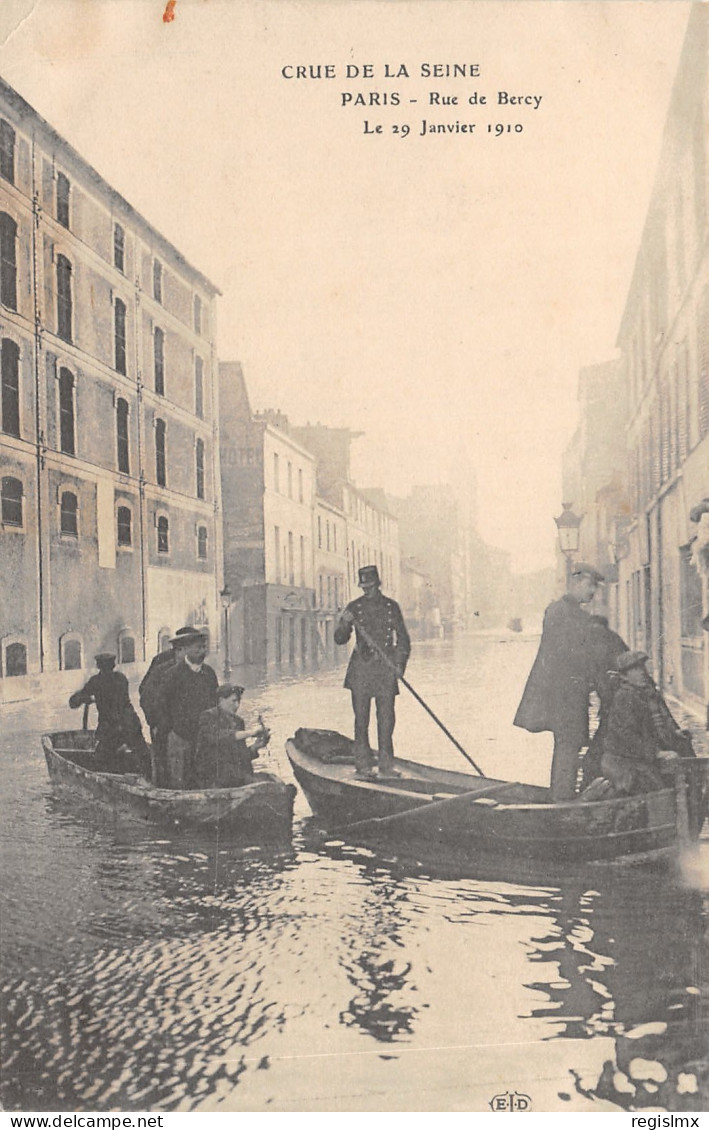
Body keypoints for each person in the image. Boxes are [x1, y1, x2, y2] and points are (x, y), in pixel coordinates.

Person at [514, 563, 604, 802]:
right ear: (574, 583)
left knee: (570, 744)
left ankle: (561, 795)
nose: (593, 591)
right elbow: (565, 653)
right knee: (568, 742)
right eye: (589, 585)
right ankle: (562, 799)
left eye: (595, 586)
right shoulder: (559, 612)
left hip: (571, 690)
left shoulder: (572, 613)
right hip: (563, 692)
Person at [334, 564, 411, 780]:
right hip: (362, 670)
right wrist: (344, 624)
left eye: (370, 586)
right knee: (361, 720)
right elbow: (340, 639)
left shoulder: (391, 607)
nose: (366, 590)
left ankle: (386, 765)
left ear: (378, 585)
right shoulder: (354, 608)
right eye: (363, 586)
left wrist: (399, 665)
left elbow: (404, 640)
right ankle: (363, 765)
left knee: (386, 720)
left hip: (385, 669)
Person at [600, 651, 694, 796]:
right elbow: (627, 737)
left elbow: (659, 724)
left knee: (687, 761)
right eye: (635, 670)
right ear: (624, 676)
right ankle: (668, 816)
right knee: (660, 791)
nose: (642, 673)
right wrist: (657, 753)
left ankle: (692, 808)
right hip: (624, 761)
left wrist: (674, 733)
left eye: (642, 667)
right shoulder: (624, 698)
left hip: (643, 756)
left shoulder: (650, 695)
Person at [155, 629, 218, 789]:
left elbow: (215, 703)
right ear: (187, 649)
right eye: (198, 648)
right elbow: (161, 705)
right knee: (179, 779)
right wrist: (170, 730)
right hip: (180, 736)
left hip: (203, 737)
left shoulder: (209, 674)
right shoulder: (172, 675)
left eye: (204, 647)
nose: (202, 651)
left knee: (202, 777)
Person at [68, 653, 148, 774]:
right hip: (131, 723)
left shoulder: (96, 681)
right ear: (113, 665)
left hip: (111, 727)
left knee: (100, 760)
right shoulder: (122, 678)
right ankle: (150, 777)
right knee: (143, 755)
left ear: (98, 666)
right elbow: (115, 698)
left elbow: (74, 702)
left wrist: (84, 698)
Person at [139, 627, 195, 784]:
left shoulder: (196, 662)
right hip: (163, 722)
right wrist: (156, 723)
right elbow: (145, 692)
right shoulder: (161, 662)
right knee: (163, 760)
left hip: (185, 724)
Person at [580, 614, 630, 788]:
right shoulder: (612, 639)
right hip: (614, 705)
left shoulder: (599, 641)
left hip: (618, 707)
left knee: (597, 756)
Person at [193, 685, 270, 789]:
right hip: (212, 776)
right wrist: (250, 733)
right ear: (221, 700)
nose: (237, 705)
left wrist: (255, 747)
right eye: (233, 701)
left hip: (233, 775)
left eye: (239, 701)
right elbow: (219, 737)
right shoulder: (208, 716)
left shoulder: (238, 722)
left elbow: (240, 756)